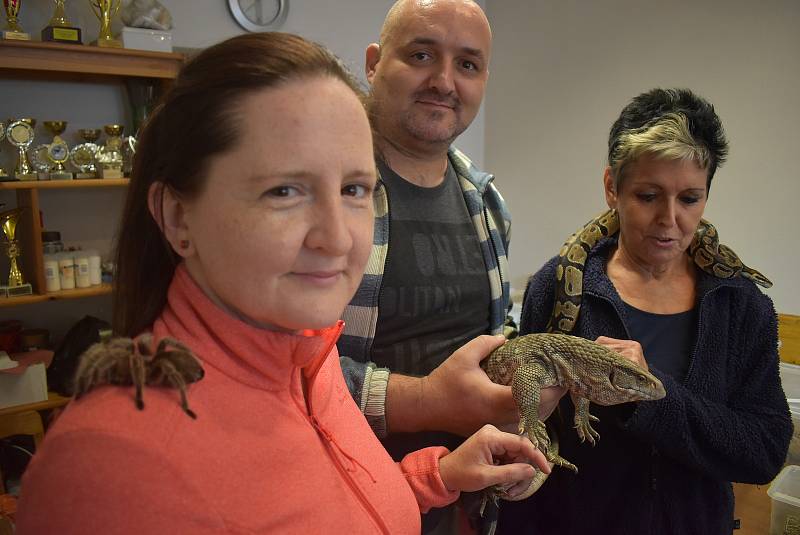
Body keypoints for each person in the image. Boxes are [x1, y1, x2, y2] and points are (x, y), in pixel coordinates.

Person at [14, 32, 551, 534]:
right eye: (284, 192)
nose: (337, 239)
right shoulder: (109, 468)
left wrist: (439, 476)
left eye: (355, 189)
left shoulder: (311, 362)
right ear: (178, 218)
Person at [498, 88, 792, 534]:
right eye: (648, 195)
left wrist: (649, 393)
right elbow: (530, 427)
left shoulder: (741, 305)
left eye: (690, 198)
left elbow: (764, 451)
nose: (669, 219)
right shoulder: (557, 285)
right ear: (612, 188)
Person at [335, 1, 564, 530]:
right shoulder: (325, 194)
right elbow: (285, 369)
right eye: (421, 54)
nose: (443, 81)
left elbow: (490, 335)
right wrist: (431, 403)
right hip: (351, 499)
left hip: (458, 508)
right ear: (373, 63)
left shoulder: (485, 202)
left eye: (467, 64)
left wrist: (522, 418)